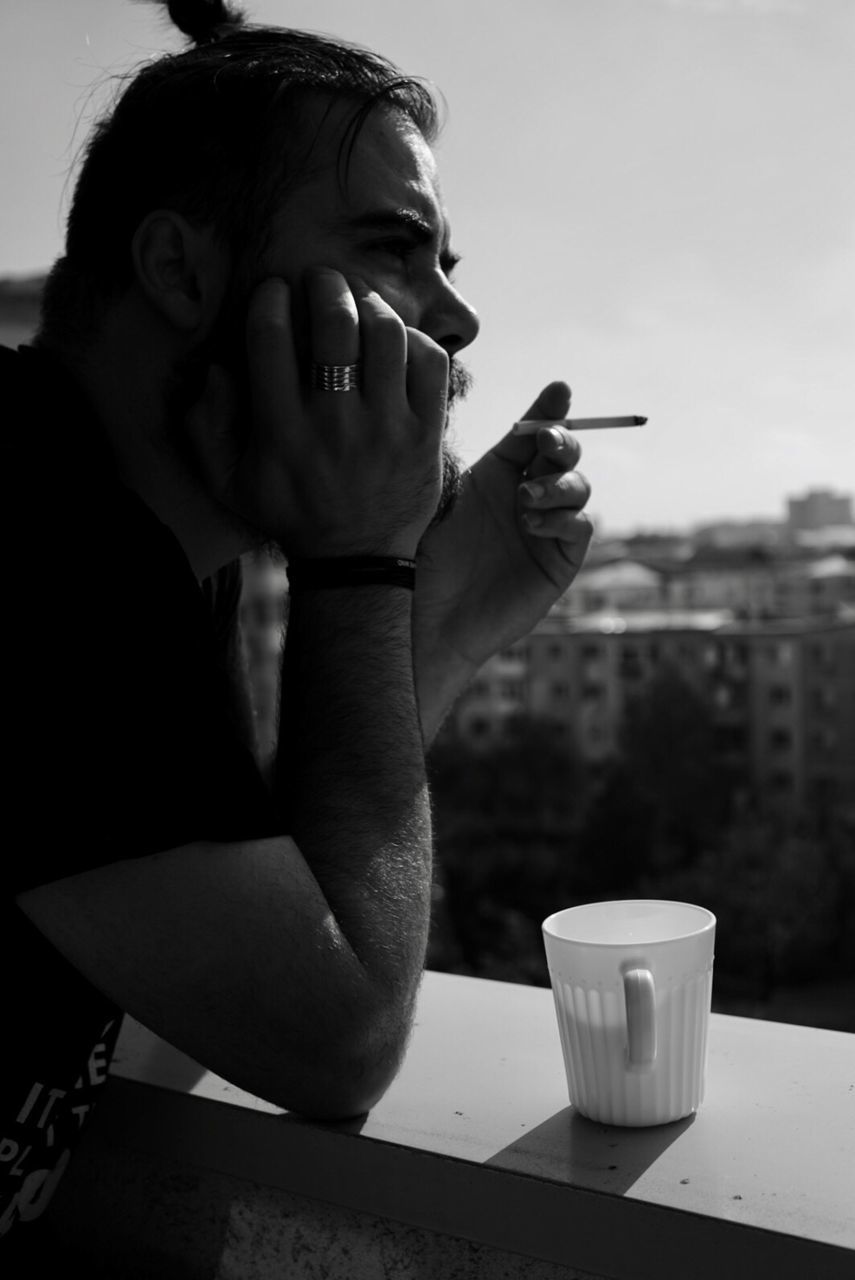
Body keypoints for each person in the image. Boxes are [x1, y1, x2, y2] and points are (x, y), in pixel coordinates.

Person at [0, 0, 592, 1257]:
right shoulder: (35, 536)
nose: (457, 320)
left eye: (450, 268)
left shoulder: (162, 541)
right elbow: (335, 1036)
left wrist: (420, 620)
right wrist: (365, 568)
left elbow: (265, 913)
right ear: (181, 271)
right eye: (396, 252)